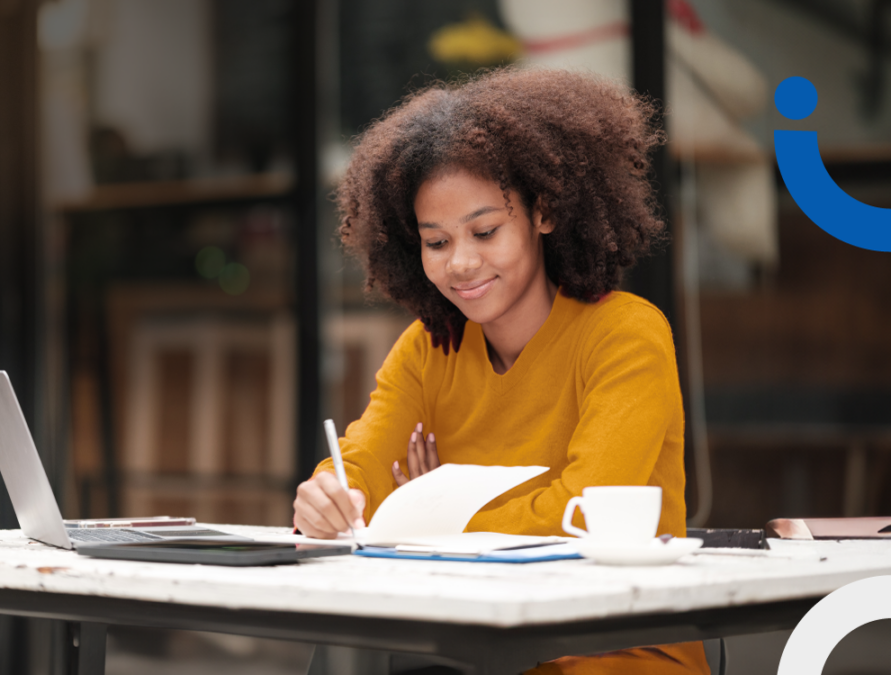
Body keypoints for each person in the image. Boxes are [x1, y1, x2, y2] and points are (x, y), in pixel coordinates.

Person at [294, 67, 709, 675]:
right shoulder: (427, 349)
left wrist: (424, 517)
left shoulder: (624, 335)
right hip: (472, 648)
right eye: (436, 243)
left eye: (484, 231)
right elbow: (360, 470)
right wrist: (328, 496)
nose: (461, 263)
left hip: (613, 648)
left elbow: (582, 515)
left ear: (543, 212)